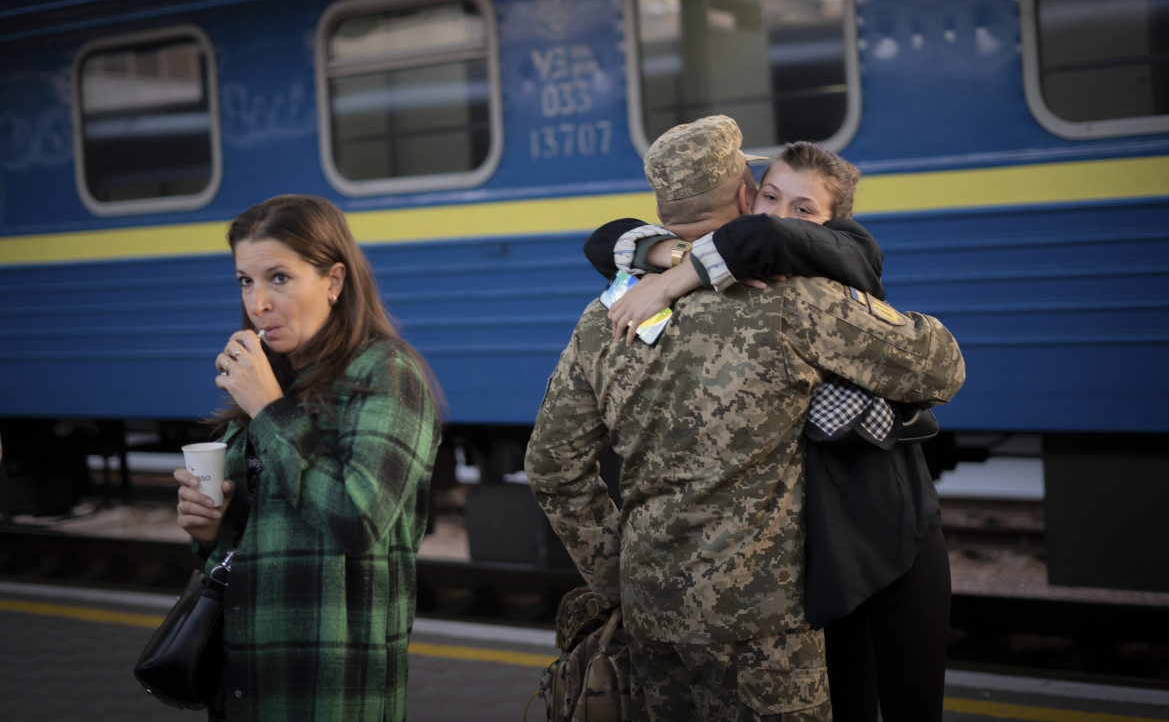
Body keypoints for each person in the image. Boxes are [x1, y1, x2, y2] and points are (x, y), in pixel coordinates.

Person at [524, 116, 965, 721]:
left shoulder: (606, 317)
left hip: (654, 618)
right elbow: (940, 367)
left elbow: (552, 467)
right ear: (744, 198)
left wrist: (619, 578)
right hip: (766, 626)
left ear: (662, 206)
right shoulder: (791, 299)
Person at [172, 193, 443, 721]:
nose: (259, 303)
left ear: (334, 281)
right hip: (245, 687)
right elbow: (243, 551)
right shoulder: (270, 382)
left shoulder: (385, 374)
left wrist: (268, 408)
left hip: (331, 694)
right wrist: (207, 532)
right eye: (245, 281)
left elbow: (357, 517)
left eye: (279, 278)